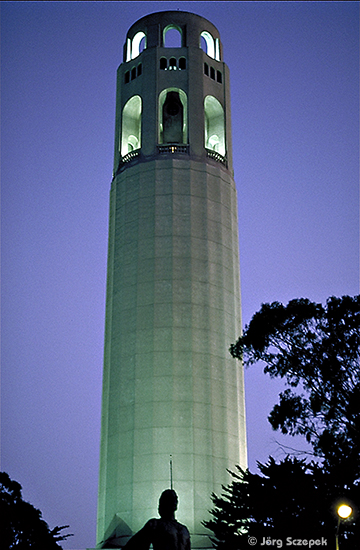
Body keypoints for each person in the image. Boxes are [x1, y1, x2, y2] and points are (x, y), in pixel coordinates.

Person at [123, 489, 190, 550]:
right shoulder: (154, 524)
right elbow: (133, 546)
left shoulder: (184, 529)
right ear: (164, 501)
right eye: (170, 498)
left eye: (175, 498)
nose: (174, 500)